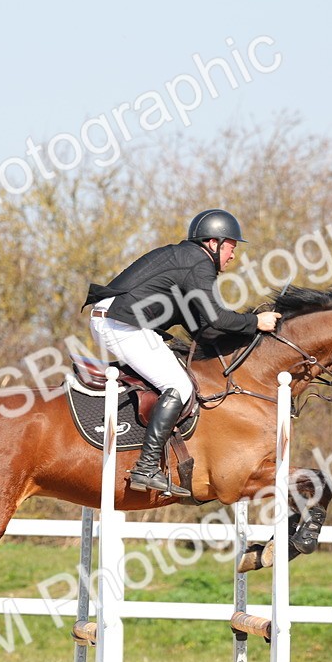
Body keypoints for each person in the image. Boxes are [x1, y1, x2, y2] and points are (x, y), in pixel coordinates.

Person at [84, 209, 282, 497]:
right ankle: (146, 467)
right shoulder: (198, 263)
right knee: (179, 385)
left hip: (119, 321)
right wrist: (255, 322)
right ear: (214, 243)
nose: (233, 255)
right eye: (231, 247)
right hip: (120, 324)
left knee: (173, 376)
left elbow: (204, 329)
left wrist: (250, 333)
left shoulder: (188, 260)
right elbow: (217, 319)